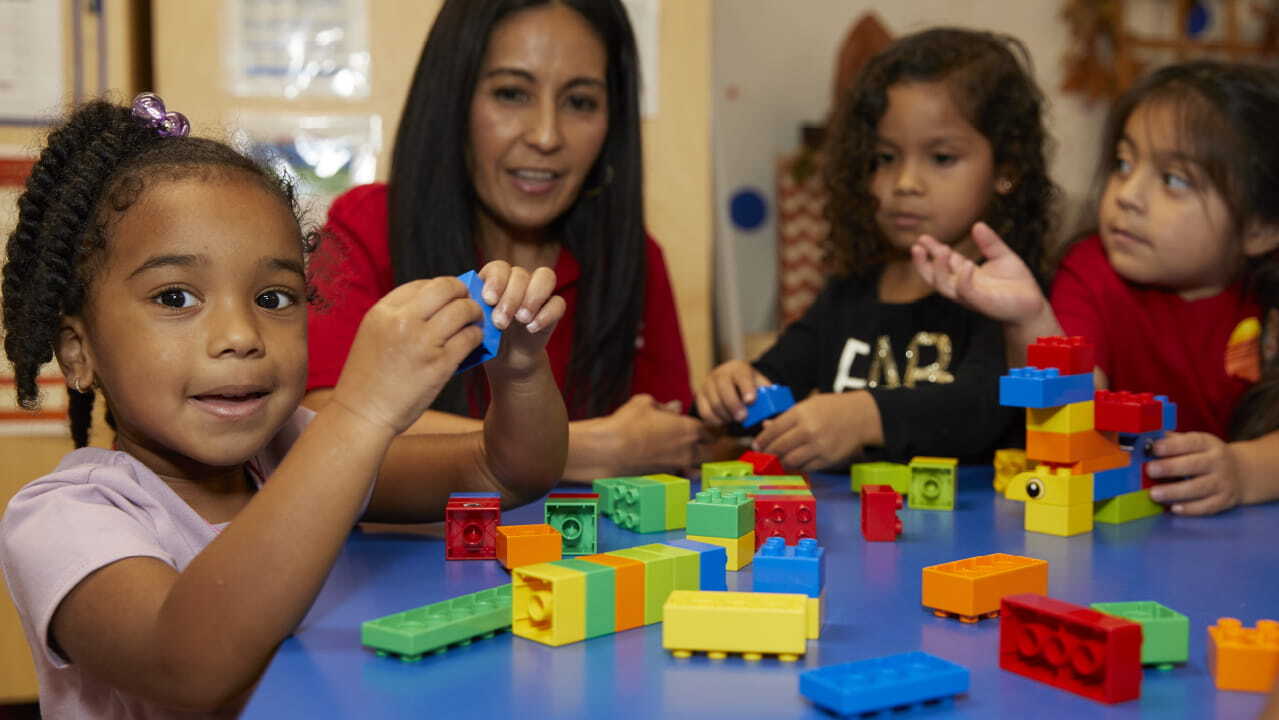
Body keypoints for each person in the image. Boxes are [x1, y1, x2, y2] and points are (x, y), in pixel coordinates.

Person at [0, 94, 567, 717]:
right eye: (176, 297)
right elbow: (186, 664)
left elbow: (504, 471)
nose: (241, 335)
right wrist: (360, 413)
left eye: (273, 298)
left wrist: (519, 368)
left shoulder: (289, 449)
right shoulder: (63, 519)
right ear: (79, 353)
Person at [303, 0, 705, 481]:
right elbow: (318, 427)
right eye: (512, 94)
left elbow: (665, 440)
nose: (546, 135)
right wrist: (586, 449)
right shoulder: (367, 226)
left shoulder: (635, 258)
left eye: (580, 102)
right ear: (453, 100)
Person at [912, 60, 1279, 515]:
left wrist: (1244, 471)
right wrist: (1029, 320)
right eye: (1124, 164)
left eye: (1173, 180)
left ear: (1262, 227)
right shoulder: (1091, 271)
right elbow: (1072, 410)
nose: (1127, 194)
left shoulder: (1265, 302)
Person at [696, 28, 1057, 471]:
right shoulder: (849, 292)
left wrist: (864, 416)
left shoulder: (1010, 297)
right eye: (886, 158)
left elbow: (983, 408)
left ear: (1006, 169)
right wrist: (736, 391)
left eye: (941, 158)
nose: (904, 183)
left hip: (977, 536)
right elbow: (776, 383)